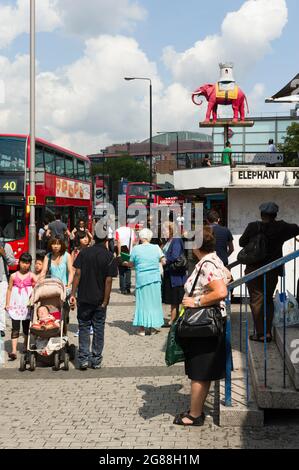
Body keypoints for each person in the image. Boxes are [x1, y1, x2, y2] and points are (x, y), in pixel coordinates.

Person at [173, 227, 230, 426]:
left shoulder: (206, 264)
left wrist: (196, 301)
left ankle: (194, 415)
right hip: (209, 324)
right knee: (203, 371)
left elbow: (221, 291)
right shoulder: (215, 259)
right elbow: (227, 278)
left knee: (198, 370)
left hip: (202, 325)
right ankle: (196, 411)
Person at [239, 202, 299, 342]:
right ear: (275, 215)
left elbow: (242, 242)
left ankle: (260, 334)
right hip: (272, 269)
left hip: (253, 269)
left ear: (261, 214)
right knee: (268, 299)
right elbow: (297, 229)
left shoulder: (253, 226)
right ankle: (267, 332)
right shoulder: (282, 227)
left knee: (256, 300)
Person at [70, 222, 118, 370]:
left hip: (84, 297)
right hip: (99, 300)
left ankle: (83, 359)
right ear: (107, 240)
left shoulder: (84, 253)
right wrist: (105, 301)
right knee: (98, 329)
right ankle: (96, 360)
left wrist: (73, 294)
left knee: (83, 327)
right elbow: (108, 280)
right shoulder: (109, 256)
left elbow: (77, 273)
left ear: (94, 237)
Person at [125, 228, 165, 336]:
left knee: (142, 303)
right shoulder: (156, 248)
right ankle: (152, 328)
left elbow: (131, 264)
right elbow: (163, 261)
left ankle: (142, 329)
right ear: (150, 237)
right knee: (154, 303)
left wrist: (125, 262)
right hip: (155, 279)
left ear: (140, 237)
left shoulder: (136, 249)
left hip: (142, 279)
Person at [5, 252, 38, 360]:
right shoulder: (13, 276)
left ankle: (25, 345)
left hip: (26, 305)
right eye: (23, 262)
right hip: (15, 305)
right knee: (15, 328)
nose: (25, 265)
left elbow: (38, 288)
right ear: (19, 262)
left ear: (30, 264)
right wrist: (7, 303)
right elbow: (9, 289)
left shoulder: (32, 276)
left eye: (28, 263)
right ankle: (14, 350)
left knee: (25, 328)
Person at [162, 222, 188, 326]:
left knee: (176, 297)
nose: (163, 232)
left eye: (165, 230)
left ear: (171, 230)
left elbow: (175, 256)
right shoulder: (169, 240)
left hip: (176, 274)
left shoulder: (176, 240)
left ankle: (174, 320)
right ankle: (174, 318)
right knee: (174, 298)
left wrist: (165, 260)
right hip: (170, 273)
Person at [0, 229, 16, 337]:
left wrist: (3, 253)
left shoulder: (6, 246)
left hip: (2, 278)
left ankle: (1, 327)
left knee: (1, 305)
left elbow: (12, 262)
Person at [115, 224, 137, 295]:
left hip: (122, 252)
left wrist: (118, 253)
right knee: (128, 269)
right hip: (130, 253)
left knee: (121, 271)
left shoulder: (118, 230)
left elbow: (118, 242)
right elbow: (134, 242)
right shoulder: (131, 231)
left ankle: (123, 288)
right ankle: (128, 287)